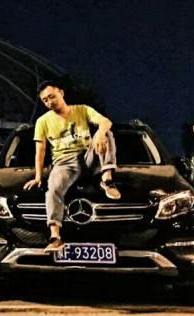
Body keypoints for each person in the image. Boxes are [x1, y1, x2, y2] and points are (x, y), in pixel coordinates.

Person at [23, 80, 121, 252]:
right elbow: (40, 151)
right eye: (45, 100)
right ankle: (55, 237)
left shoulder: (82, 110)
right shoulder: (42, 121)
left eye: (52, 96)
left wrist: (100, 133)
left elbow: (105, 121)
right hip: (64, 163)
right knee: (53, 189)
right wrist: (38, 177)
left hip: (88, 158)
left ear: (61, 93)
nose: (50, 102)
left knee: (107, 133)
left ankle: (107, 180)